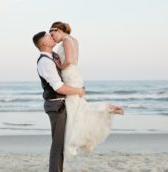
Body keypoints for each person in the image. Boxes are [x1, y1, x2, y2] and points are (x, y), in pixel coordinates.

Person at [49, 21, 123, 157]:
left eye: (52, 35)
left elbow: (70, 60)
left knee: (74, 110)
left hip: (70, 75)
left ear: (58, 30)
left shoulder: (65, 40)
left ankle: (106, 109)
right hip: (74, 74)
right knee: (79, 108)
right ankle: (107, 108)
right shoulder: (74, 40)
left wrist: (58, 65)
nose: (52, 38)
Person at [32, 31, 85, 172]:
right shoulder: (45, 62)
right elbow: (58, 87)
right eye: (49, 37)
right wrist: (78, 91)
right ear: (44, 44)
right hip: (56, 104)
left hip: (60, 103)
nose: (52, 37)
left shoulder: (53, 57)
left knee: (61, 141)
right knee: (58, 142)